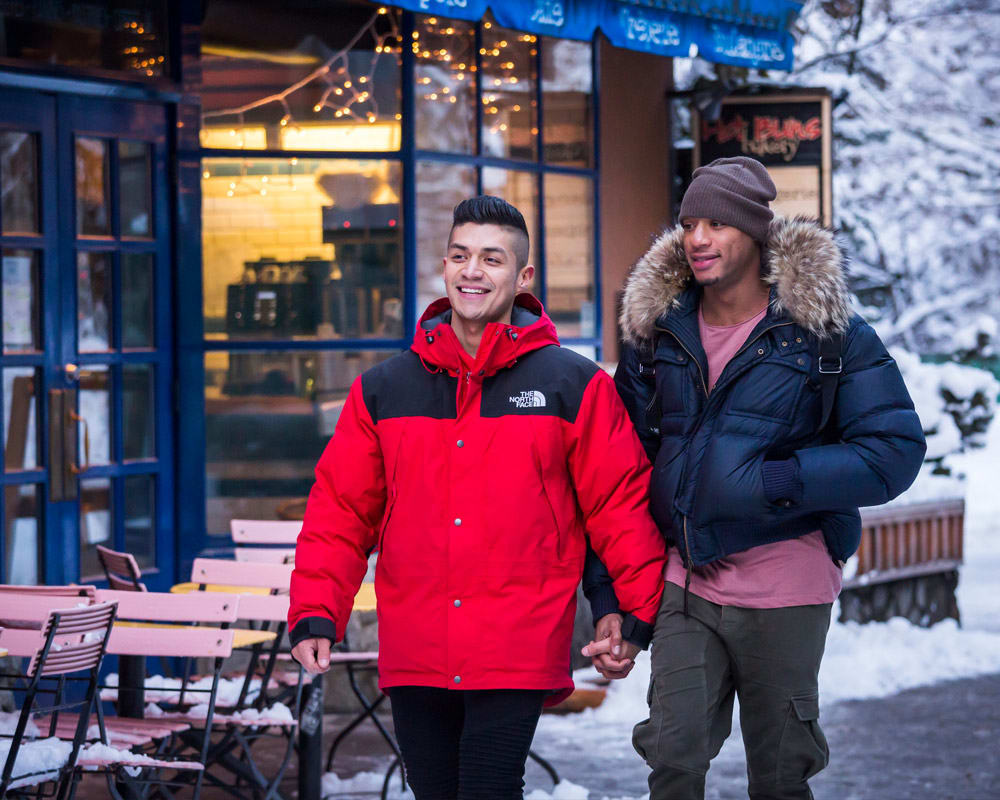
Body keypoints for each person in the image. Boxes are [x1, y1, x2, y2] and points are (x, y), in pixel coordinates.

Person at [288, 195, 667, 800]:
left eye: (492, 259)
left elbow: (616, 503)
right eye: (461, 256)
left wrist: (631, 610)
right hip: (415, 640)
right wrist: (316, 610)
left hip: (517, 638)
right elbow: (340, 512)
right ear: (443, 268)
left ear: (522, 278)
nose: (472, 271)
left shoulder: (572, 385)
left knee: (489, 788)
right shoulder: (384, 389)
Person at [582, 157, 926, 799]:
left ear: (757, 234)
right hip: (688, 582)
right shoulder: (657, 334)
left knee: (779, 772)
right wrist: (612, 601)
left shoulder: (827, 335)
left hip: (786, 585)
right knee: (672, 757)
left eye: (717, 223)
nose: (698, 238)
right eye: (689, 223)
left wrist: (775, 480)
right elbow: (615, 476)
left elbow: (894, 450)